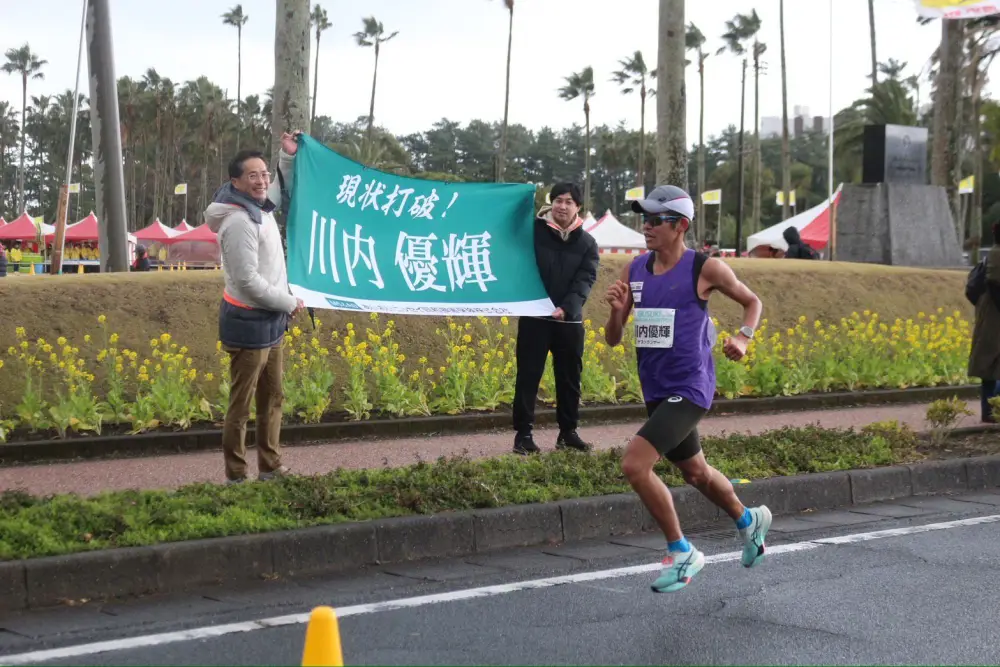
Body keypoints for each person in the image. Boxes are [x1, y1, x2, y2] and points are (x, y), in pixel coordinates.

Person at [604, 184, 771, 593]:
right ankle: (749, 521)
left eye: (655, 220)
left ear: (680, 226)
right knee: (695, 472)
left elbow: (753, 302)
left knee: (634, 464)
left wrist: (744, 338)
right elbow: (612, 338)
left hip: (691, 386)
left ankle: (681, 551)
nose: (646, 227)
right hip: (656, 387)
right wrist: (614, 313)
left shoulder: (704, 267)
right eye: (643, 219)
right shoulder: (635, 269)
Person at [204, 131, 305, 484]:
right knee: (241, 406)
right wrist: (290, 302)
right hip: (248, 322)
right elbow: (247, 281)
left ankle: (271, 467)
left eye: (264, 173)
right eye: (253, 175)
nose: (262, 180)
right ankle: (236, 475)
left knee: (273, 397)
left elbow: (280, 186)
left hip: (271, 320)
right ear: (236, 182)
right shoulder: (238, 222)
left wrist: (288, 155)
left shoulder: (258, 205)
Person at [512, 182, 599, 455]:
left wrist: (567, 307)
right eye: (558, 200)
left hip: (568, 322)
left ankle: (568, 432)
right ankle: (523, 435)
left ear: (578, 207)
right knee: (528, 377)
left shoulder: (587, 243)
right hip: (535, 318)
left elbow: (586, 279)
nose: (562, 206)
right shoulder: (532, 232)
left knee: (569, 378)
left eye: (569, 201)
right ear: (551, 203)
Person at [969, 223, 1000, 423]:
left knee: (990, 365)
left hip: (991, 314)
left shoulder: (994, 253)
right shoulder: (998, 255)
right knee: (990, 364)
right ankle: (990, 411)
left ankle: (990, 411)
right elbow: (995, 284)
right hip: (994, 316)